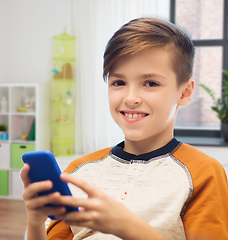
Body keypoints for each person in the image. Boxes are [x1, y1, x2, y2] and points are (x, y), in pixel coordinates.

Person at [21, 17, 228, 240]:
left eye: (150, 83)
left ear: (185, 92)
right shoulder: (79, 171)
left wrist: (129, 228)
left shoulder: (203, 173)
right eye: (118, 82)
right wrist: (34, 221)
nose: (130, 98)